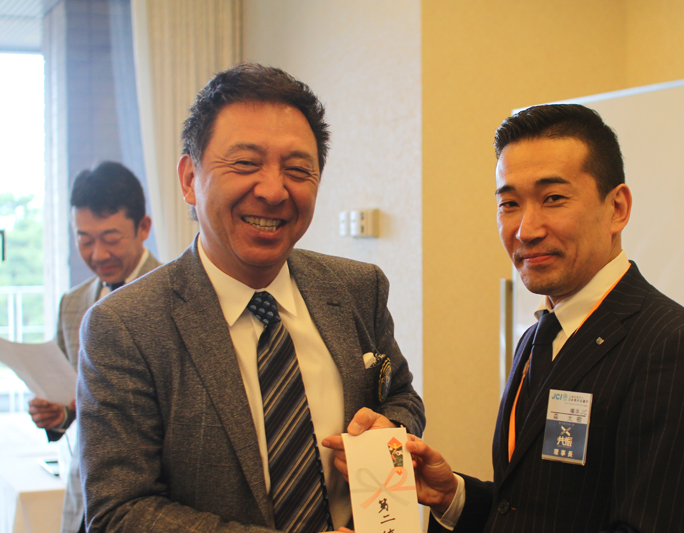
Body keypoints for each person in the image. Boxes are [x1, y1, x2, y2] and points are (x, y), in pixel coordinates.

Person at [339, 104, 684, 532]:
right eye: (509, 203)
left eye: (553, 199)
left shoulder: (674, 346)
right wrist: (452, 495)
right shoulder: (537, 336)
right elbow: (528, 508)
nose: (526, 229)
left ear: (617, 208)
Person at [77, 63, 425, 533]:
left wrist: (391, 429)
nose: (273, 191)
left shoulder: (358, 288)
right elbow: (120, 511)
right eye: (245, 164)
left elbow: (401, 396)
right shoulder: (125, 326)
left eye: (297, 170)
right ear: (189, 178)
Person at [27, 161, 160, 533]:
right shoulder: (71, 304)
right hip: (81, 499)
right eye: (84, 240)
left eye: (111, 238)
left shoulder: (176, 295)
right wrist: (57, 415)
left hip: (154, 500)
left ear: (143, 227)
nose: (98, 254)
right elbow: (72, 404)